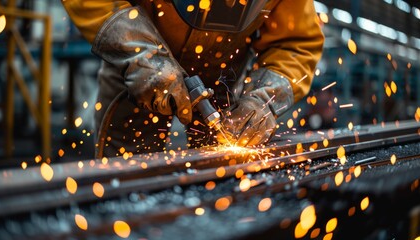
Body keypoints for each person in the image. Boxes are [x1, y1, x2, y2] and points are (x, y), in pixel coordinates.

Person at [62, 0, 324, 158]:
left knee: (223, 174)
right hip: (136, 71)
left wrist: (264, 99)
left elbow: (295, 43)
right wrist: (140, 54)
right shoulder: (138, 61)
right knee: (124, 178)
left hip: (224, 78)